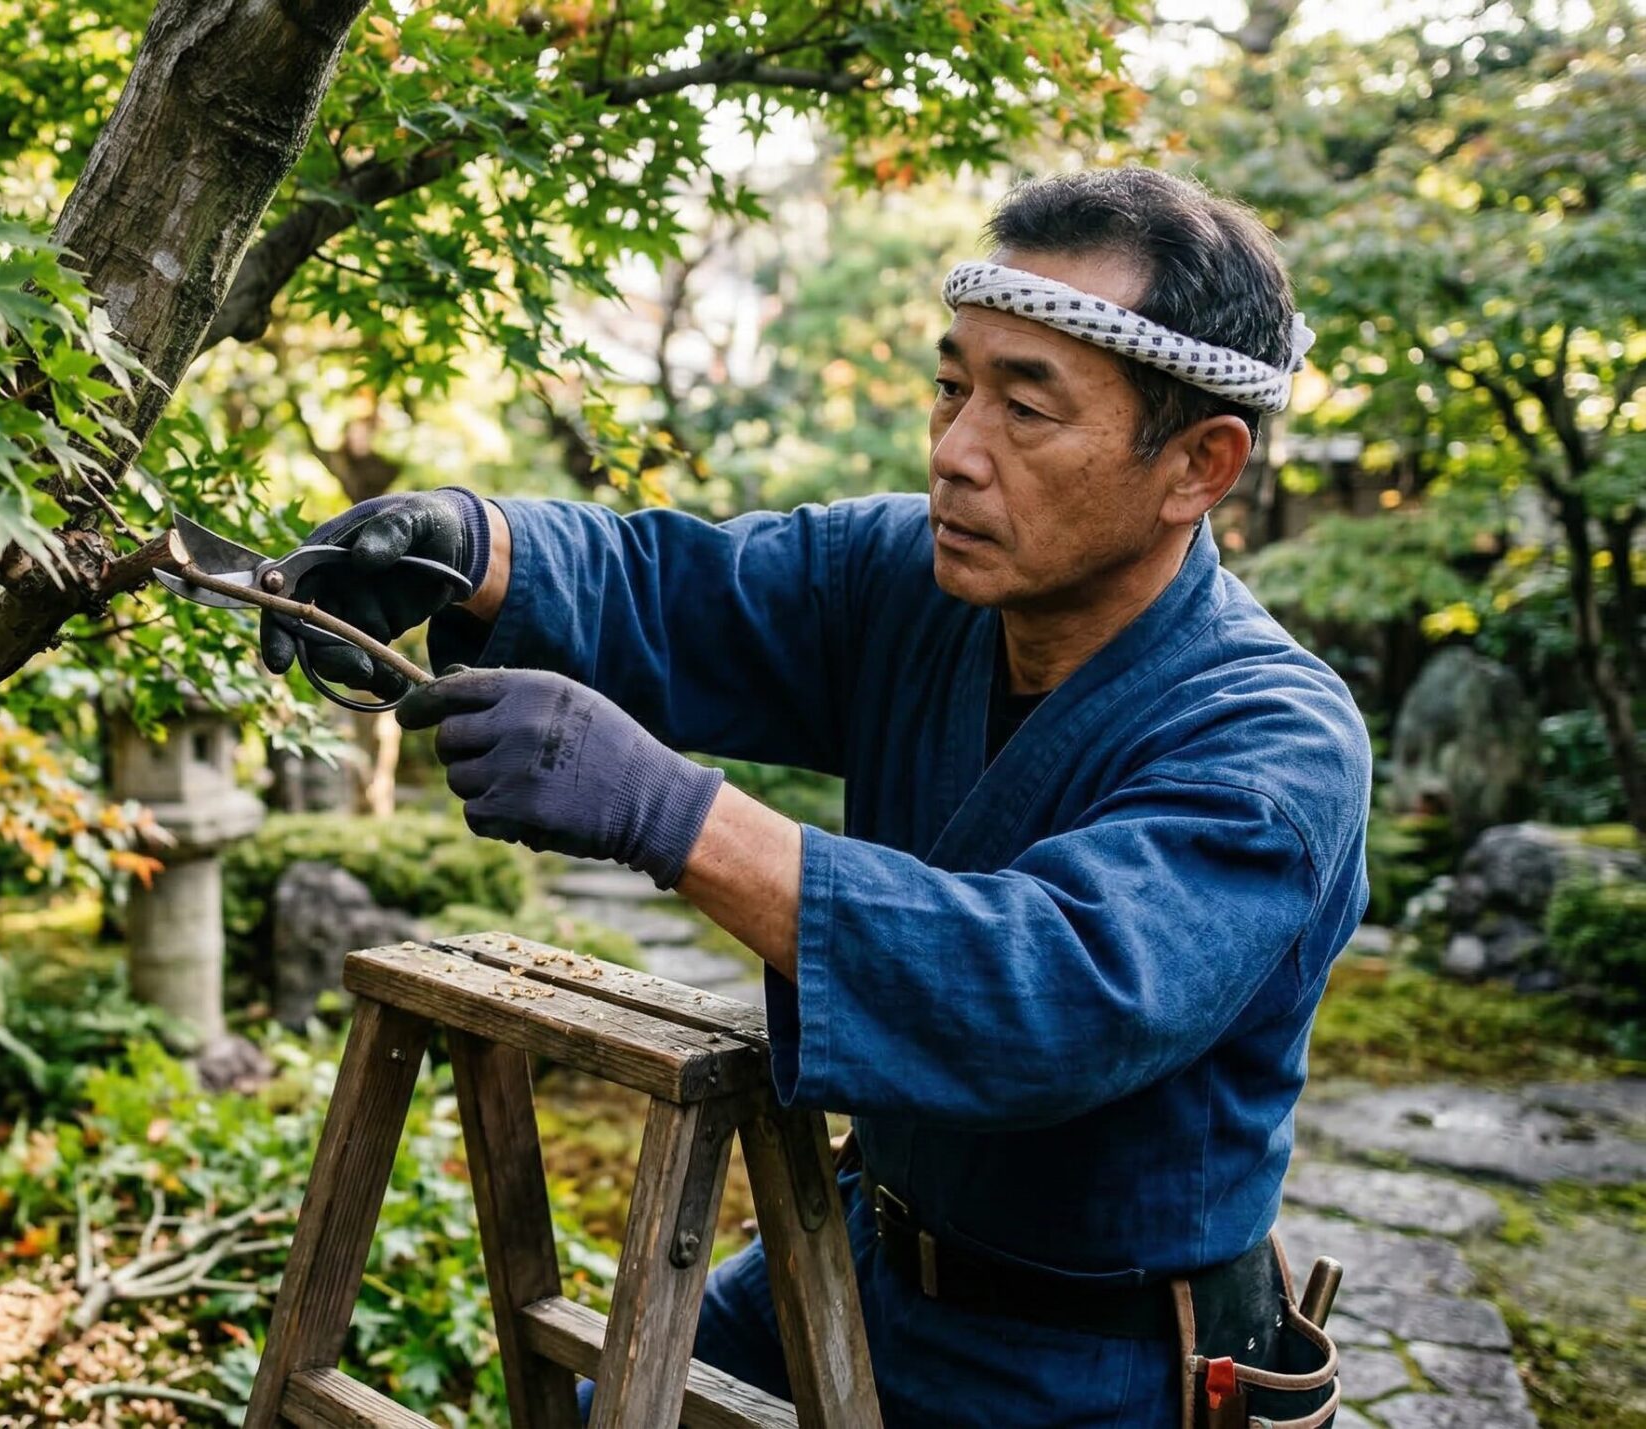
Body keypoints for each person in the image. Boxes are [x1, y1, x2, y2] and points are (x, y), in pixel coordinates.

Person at [259, 168, 1368, 1427]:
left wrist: (671, 814)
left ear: (1197, 464)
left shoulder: (1273, 741)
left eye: (1024, 408)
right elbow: (680, 589)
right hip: (862, 1247)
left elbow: (1050, 990)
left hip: (1096, 1359)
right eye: (952, 388)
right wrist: (464, 545)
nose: (955, 453)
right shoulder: (910, 581)